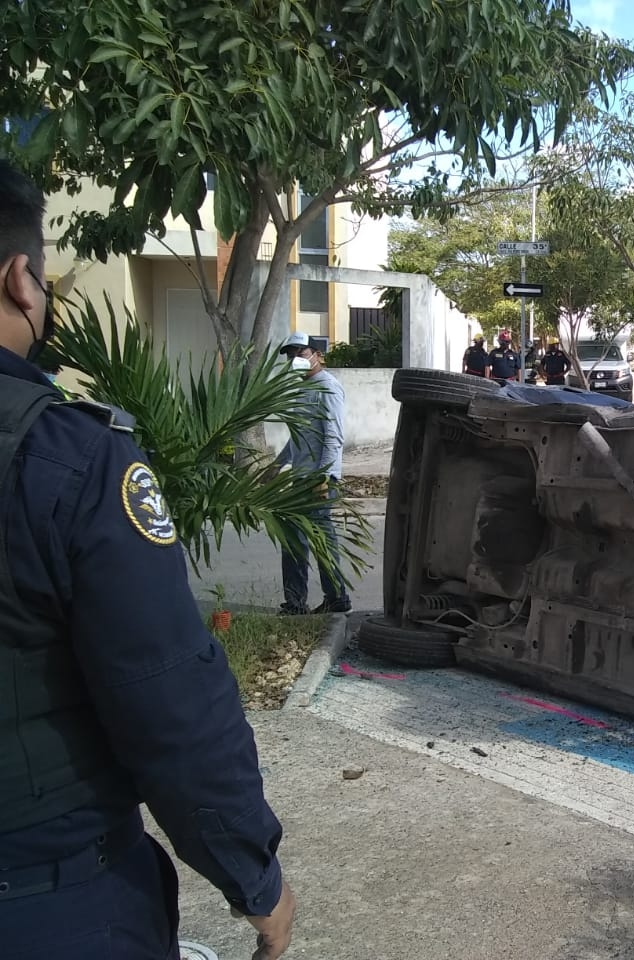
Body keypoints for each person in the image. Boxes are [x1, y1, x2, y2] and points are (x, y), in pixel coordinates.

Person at [0, 160, 295, 957]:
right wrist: (255, 878)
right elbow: (167, 699)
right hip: (50, 896)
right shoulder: (72, 461)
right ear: (23, 282)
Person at [273, 332, 351, 615]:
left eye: (302, 353)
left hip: (319, 479)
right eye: (291, 355)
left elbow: (333, 436)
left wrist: (324, 476)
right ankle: (295, 602)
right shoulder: (300, 387)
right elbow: (299, 435)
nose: (296, 359)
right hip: (299, 476)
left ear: (318, 355)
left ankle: (337, 598)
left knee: (320, 540)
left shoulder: (328, 387)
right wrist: (278, 464)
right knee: (292, 539)